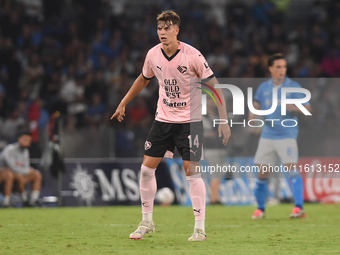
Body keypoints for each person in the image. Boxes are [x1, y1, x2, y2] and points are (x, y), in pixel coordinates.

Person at [110, 10, 231, 241]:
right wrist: (124, 102)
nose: (162, 33)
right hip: (163, 120)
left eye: (167, 28)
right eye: (159, 29)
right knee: (146, 169)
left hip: (190, 123)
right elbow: (143, 79)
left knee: (192, 173)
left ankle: (199, 229)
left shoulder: (193, 56)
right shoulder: (153, 55)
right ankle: (146, 222)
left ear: (177, 30)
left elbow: (215, 87)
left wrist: (223, 120)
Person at [249, 53, 311, 219]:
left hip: (287, 135)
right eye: (278, 67)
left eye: (284, 67)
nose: (282, 70)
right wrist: (252, 120)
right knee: (262, 173)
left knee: (291, 168)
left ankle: (299, 207)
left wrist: (296, 107)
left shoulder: (294, 86)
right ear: (270, 69)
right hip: (267, 135)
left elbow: (308, 109)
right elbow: (255, 107)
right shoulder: (263, 88)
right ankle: (260, 209)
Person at [0, 130, 42, 207]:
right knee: (10, 174)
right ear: (19, 139)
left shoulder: (26, 151)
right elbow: (11, 167)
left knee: (36, 174)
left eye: (29, 140)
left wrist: (27, 171)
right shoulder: (9, 149)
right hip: (4, 174)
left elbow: (26, 166)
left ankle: (33, 201)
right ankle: (7, 202)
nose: (27, 142)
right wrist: (26, 171)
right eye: (25, 139)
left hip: (17, 175)